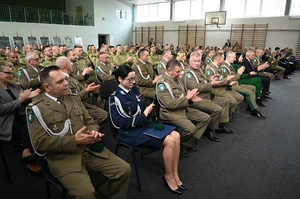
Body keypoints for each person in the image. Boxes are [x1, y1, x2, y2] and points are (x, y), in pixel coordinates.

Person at [27, 66, 131, 199]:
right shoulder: (36, 109)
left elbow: (90, 121)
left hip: (89, 149)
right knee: (86, 194)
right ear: (47, 87)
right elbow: (39, 144)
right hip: (64, 158)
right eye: (60, 82)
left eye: (65, 79)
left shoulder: (73, 98)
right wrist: (74, 141)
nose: (66, 83)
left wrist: (93, 131)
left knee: (124, 170)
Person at [109, 65, 185, 194]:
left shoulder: (135, 89)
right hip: (129, 132)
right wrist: (144, 114)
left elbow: (142, 109)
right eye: (130, 79)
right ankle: (168, 176)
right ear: (120, 79)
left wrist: (148, 111)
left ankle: (175, 173)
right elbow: (119, 124)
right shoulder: (115, 97)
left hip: (143, 124)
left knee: (176, 135)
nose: (133, 82)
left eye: (134, 79)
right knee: (170, 141)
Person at [156, 59, 210, 154]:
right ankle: (179, 144)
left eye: (180, 71)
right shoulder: (162, 84)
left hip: (183, 108)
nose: (180, 73)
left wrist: (191, 98)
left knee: (205, 118)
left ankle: (185, 142)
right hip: (171, 113)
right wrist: (187, 98)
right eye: (177, 71)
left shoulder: (177, 79)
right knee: (191, 128)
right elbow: (169, 104)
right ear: (169, 70)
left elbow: (183, 93)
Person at [0, 62, 41, 173]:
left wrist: (28, 98)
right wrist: (20, 100)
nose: (11, 75)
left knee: (36, 125)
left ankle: (26, 152)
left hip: (21, 115)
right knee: (30, 129)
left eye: (11, 73)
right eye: (7, 73)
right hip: (6, 121)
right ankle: (30, 158)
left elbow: (22, 101)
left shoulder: (13, 86)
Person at [183, 52, 233, 143]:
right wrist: (211, 84)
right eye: (194, 61)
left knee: (225, 101)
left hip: (207, 96)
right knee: (217, 109)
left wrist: (209, 79)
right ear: (190, 62)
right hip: (198, 99)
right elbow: (196, 87)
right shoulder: (188, 73)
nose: (197, 63)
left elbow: (202, 80)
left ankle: (219, 126)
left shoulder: (198, 70)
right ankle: (209, 130)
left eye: (198, 61)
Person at [56, 57, 108, 128]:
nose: (72, 66)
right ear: (66, 66)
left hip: (83, 103)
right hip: (75, 106)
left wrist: (88, 88)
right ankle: (88, 128)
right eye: (70, 64)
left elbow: (79, 89)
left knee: (105, 115)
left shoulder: (71, 76)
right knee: (104, 116)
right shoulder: (61, 79)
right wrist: (87, 90)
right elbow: (70, 97)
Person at [221, 51, 267, 119]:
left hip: (236, 83)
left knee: (253, 87)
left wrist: (237, 74)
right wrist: (238, 73)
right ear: (229, 57)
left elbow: (233, 77)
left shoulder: (230, 65)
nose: (235, 59)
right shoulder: (224, 66)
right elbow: (229, 80)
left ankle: (250, 106)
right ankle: (254, 111)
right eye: (234, 57)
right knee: (249, 92)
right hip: (231, 86)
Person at [205, 52, 244, 121]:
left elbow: (222, 80)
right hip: (216, 91)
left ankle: (225, 115)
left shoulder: (218, 67)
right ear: (219, 59)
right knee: (232, 101)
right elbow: (215, 83)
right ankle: (222, 119)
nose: (224, 60)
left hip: (223, 89)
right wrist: (227, 80)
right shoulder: (210, 69)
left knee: (239, 98)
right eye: (223, 58)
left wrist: (228, 81)